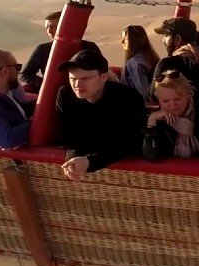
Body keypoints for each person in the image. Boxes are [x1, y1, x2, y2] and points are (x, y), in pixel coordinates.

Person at [57, 49, 147, 180]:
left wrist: (90, 162)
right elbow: (69, 136)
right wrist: (73, 158)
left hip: (126, 176)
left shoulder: (128, 98)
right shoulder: (65, 94)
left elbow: (130, 142)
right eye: (73, 78)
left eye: (85, 78)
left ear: (104, 77)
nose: (77, 84)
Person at [19, 11, 102, 89]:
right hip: (55, 94)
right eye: (47, 27)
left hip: (85, 91)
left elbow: (102, 69)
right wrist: (44, 82)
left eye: (53, 27)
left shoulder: (89, 47)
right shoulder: (42, 49)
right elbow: (24, 74)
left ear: (66, 26)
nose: (49, 31)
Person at [142, 70, 199, 161]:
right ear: (159, 100)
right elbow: (151, 156)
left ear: (188, 95)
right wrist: (151, 122)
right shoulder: (156, 120)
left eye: (177, 99)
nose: (173, 105)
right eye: (165, 101)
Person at [121, 25, 160, 101]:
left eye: (125, 39)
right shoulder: (151, 58)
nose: (121, 42)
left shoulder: (135, 63)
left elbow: (143, 93)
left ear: (134, 41)